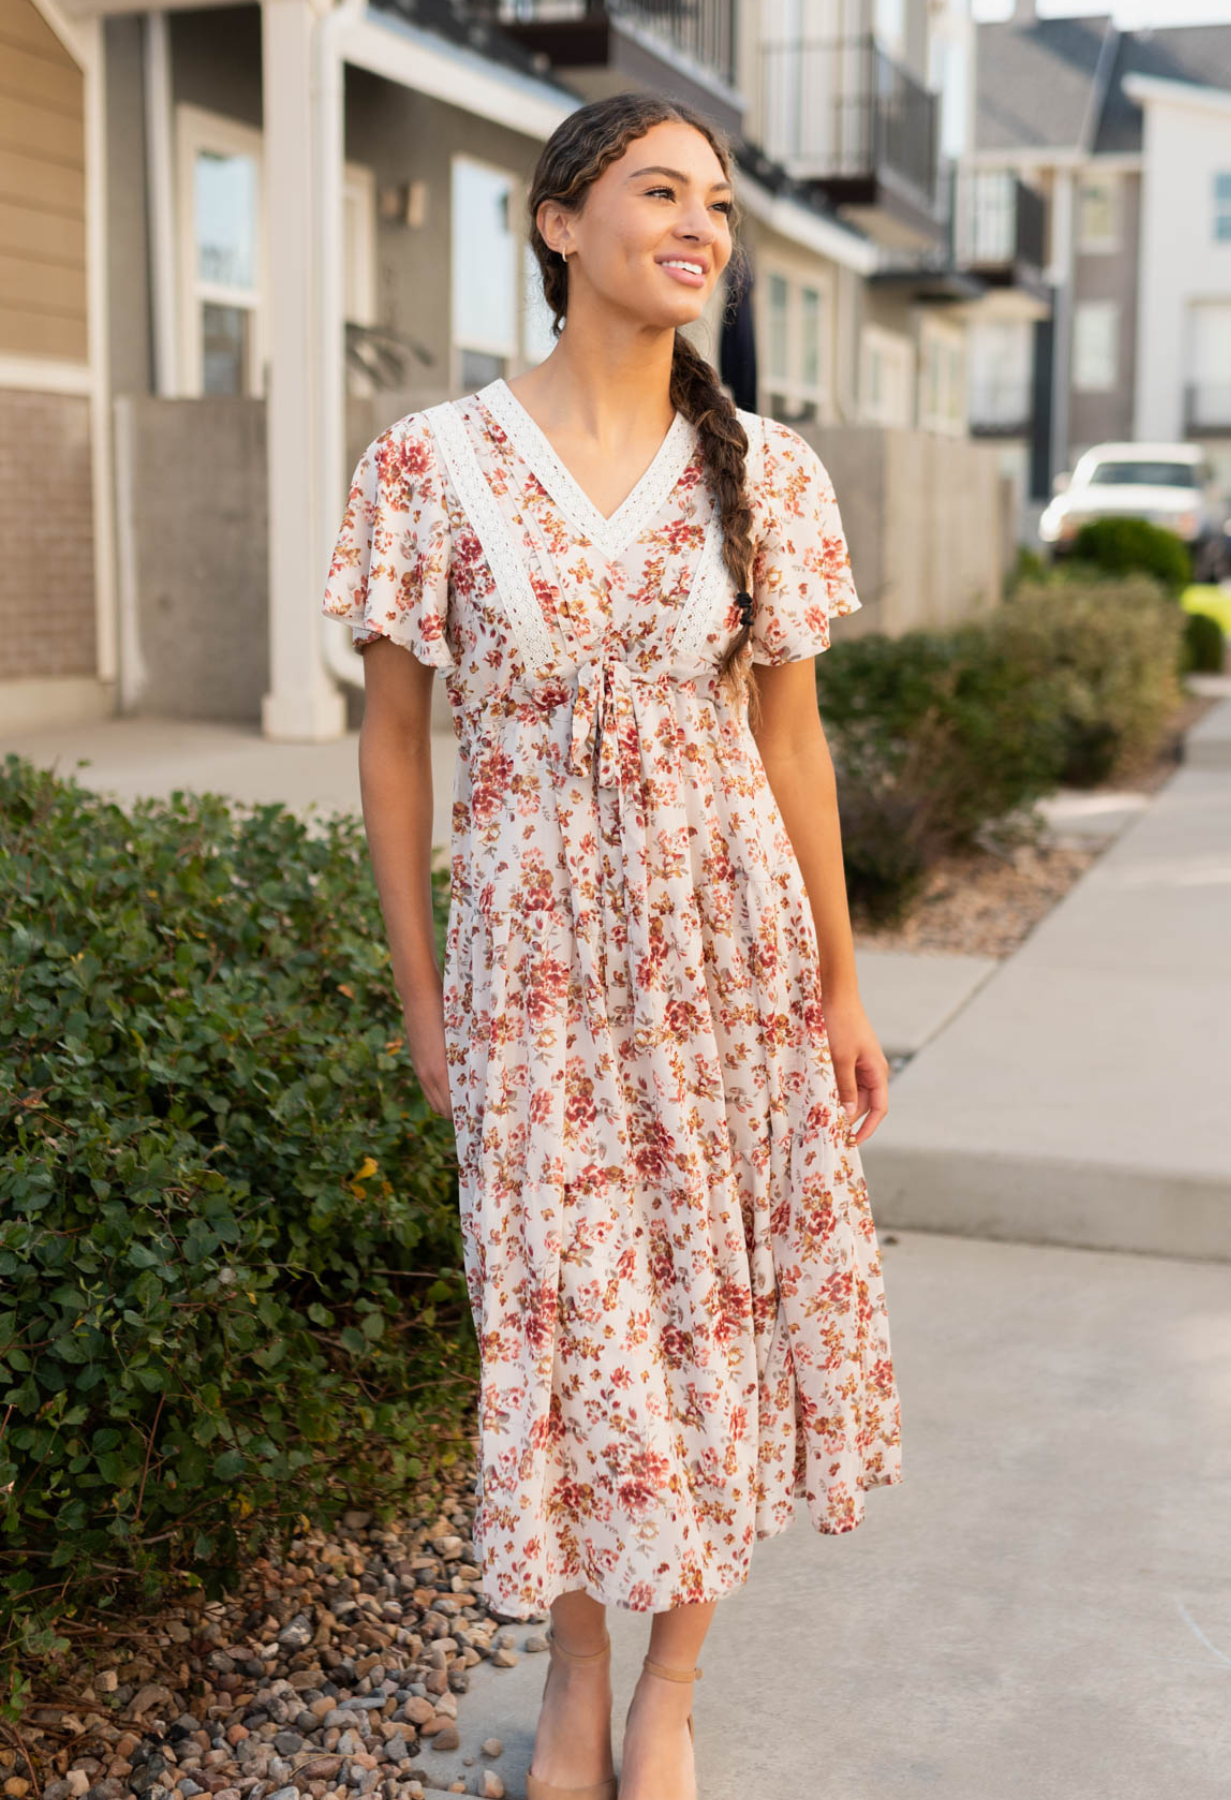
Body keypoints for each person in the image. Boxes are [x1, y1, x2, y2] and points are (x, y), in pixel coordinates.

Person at [321, 89, 903, 1800]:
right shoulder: (426, 466)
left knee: (708, 1313)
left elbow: (788, 745)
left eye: (716, 204)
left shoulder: (768, 473)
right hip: (534, 971)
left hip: (723, 963)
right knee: (563, 1319)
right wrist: (424, 994)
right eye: (661, 192)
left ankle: (669, 1689)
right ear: (558, 221)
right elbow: (392, 745)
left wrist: (843, 979)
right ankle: (574, 1678)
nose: (701, 227)